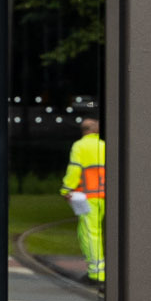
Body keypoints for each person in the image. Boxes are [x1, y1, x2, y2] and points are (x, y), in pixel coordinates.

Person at [63, 112, 109, 284]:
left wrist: (65, 190)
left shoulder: (80, 146)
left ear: (83, 131)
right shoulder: (104, 145)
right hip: (104, 196)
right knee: (97, 233)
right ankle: (98, 272)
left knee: (89, 234)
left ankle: (96, 274)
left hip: (87, 197)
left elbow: (74, 170)